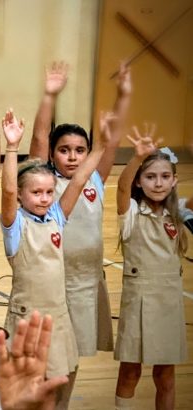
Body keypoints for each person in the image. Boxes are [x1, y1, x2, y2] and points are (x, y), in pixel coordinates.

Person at [0, 108, 111, 409]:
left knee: (65, 373)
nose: (44, 198)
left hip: (59, 316)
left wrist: (101, 144)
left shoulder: (57, 217)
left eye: (49, 192)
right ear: (21, 196)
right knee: (28, 384)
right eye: (36, 192)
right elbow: (7, 190)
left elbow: (80, 179)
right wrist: (12, 147)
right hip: (27, 316)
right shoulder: (15, 225)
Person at [28, 62, 131, 369]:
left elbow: (112, 139)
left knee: (73, 358)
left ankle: (64, 396)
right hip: (55, 281)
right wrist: (49, 95)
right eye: (64, 150)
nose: (72, 157)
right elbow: (39, 136)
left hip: (87, 280)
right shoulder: (43, 180)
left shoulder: (95, 178)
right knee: (50, 356)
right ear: (51, 154)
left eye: (80, 150)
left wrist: (123, 96)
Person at [114, 125, 187, 410]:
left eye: (165, 177)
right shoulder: (131, 213)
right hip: (138, 300)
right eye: (150, 176)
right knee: (130, 371)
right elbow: (121, 187)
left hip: (169, 301)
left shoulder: (178, 212)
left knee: (165, 375)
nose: (158, 183)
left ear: (174, 181)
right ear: (138, 181)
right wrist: (136, 158)